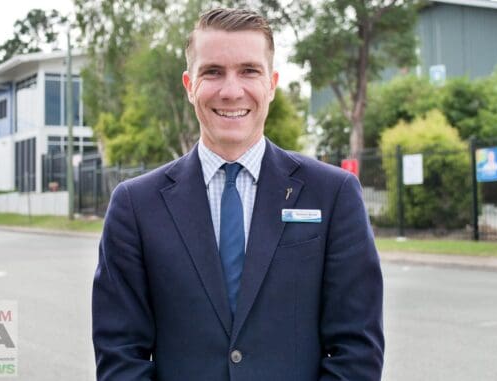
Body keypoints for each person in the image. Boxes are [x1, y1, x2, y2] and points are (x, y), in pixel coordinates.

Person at [92, 8, 384, 381]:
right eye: (212, 72)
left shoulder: (333, 194)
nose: (231, 91)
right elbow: (121, 356)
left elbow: (356, 350)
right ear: (189, 85)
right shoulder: (135, 206)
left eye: (249, 70)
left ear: (272, 83)